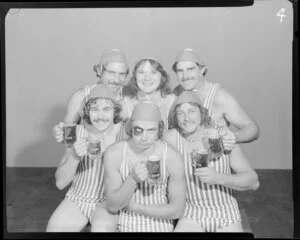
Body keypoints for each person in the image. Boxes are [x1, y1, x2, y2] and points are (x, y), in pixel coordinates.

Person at [164, 91, 260, 232]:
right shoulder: (171, 139)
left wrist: (218, 178)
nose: (186, 118)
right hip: (191, 212)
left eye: (192, 111)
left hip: (226, 213)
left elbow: (253, 182)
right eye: (180, 113)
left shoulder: (222, 136)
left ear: (202, 113)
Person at [46, 84, 127, 232]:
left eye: (106, 109)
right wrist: (75, 156)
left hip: (108, 202)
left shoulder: (125, 134)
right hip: (77, 199)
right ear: (87, 112)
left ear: (115, 111)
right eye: (94, 109)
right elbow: (60, 183)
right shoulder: (73, 132)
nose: (100, 116)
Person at [103, 101, 186, 232]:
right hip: (124, 223)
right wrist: (132, 180)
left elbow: (178, 210)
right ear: (130, 128)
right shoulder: (114, 153)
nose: (144, 137)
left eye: (151, 130)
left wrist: (137, 208)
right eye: (138, 130)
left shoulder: (172, 156)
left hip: (161, 224)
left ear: (159, 130)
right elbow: (113, 206)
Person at [171, 48, 260, 143]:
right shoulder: (176, 94)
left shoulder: (218, 96)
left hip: (215, 157)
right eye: (180, 71)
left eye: (190, 69)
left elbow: (252, 128)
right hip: (184, 156)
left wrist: (234, 136)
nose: (185, 76)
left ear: (202, 70)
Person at [52, 48, 132, 145]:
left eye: (122, 74)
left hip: (122, 158)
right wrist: (61, 134)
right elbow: (68, 138)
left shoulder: (131, 96)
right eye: (111, 73)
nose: (116, 80)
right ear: (99, 70)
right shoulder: (81, 97)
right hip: (90, 156)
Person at [120, 58, 176, 131]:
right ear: (135, 76)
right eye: (141, 72)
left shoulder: (173, 103)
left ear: (162, 76)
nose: (147, 78)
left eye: (153, 72)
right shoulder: (125, 105)